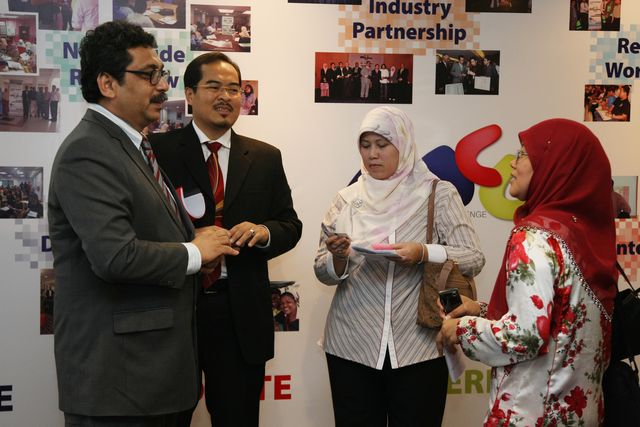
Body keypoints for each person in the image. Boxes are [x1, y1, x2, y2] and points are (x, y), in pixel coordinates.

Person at [48, 21, 238, 427]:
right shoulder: (89, 151)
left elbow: (144, 231)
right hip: (121, 386)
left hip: (152, 379)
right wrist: (193, 253)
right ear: (107, 83)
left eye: (161, 73)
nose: (162, 86)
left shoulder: (132, 145)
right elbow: (115, 257)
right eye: (149, 74)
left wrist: (192, 237)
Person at [150, 51, 302, 427]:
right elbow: (143, 227)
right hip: (176, 309)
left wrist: (264, 232)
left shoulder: (265, 157)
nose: (226, 96)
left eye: (234, 89)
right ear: (189, 94)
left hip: (239, 316)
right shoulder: (157, 151)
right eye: (214, 86)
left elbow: (289, 224)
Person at [437, 118, 618, 427]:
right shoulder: (587, 240)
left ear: (555, 166)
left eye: (523, 154)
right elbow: (562, 319)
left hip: (531, 414)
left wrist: (462, 329)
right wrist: (480, 310)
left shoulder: (534, 238)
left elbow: (524, 336)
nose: (512, 163)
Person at [314, 106, 485, 427]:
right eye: (366, 145)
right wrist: (338, 257)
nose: (372, 154)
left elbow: (474, 257)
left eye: (382, 144)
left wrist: (423, 252)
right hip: (351, 343)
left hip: (419, 346)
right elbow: (321, 270)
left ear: (403, 144)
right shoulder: (347, 199)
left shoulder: (438, 193)